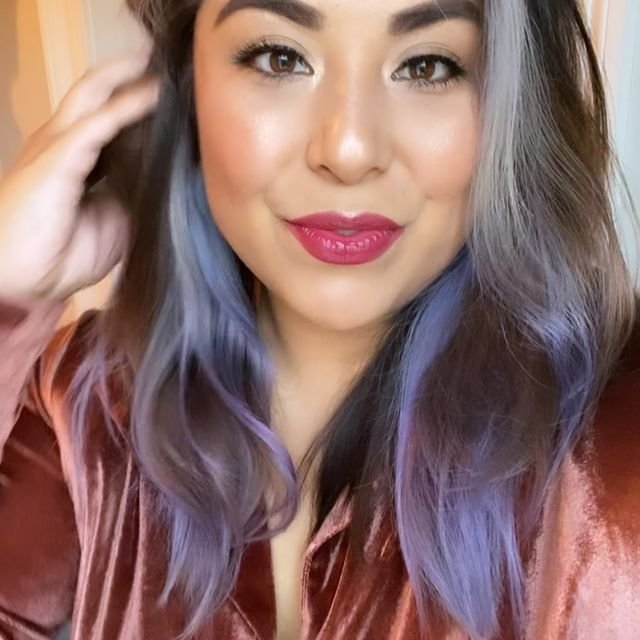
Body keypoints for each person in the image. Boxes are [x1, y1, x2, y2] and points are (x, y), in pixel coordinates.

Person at [1, 0, 639, 638]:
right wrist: (9, 286)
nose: (350, 150)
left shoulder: (607, 463)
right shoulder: (84, 398)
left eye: (427, 66)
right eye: (280, 58)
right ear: (185, 88)